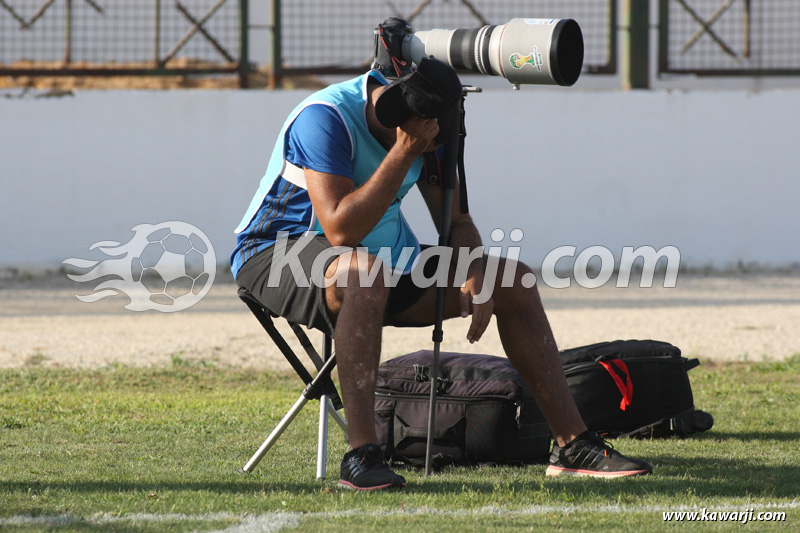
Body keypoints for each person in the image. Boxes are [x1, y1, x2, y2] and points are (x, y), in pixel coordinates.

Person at [231, 57, 652, 490]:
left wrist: (473, 269)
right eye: (422, 133)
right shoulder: (324, 119)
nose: (429, 142)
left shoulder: (433, 127)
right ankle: (362, 455)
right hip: (275, 254)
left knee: (513, 280)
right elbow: (340, 228)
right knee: (364, 271)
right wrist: (402, 152)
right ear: (398, 113)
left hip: (377, 267)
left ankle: (572, 445)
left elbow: (458, 224)